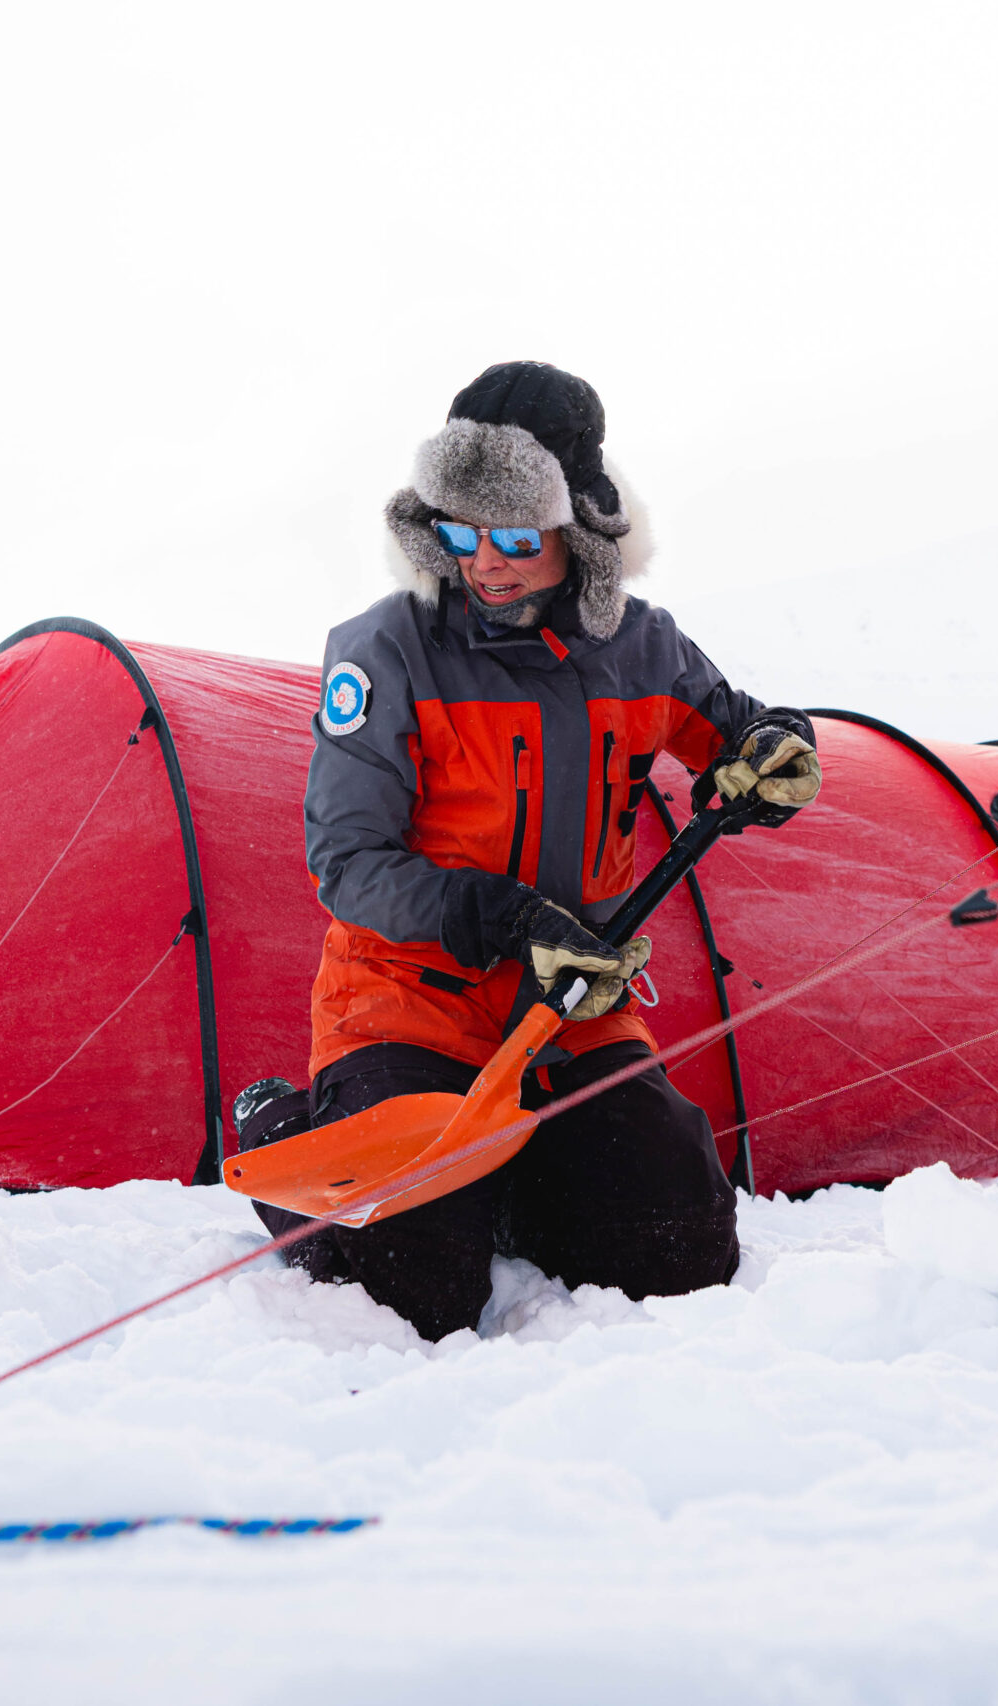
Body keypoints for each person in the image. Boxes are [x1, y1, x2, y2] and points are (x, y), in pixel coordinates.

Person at [238, 361, 821, 1338]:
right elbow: (348, 860)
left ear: (581, 529)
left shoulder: (642, 647)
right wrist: (508, 918)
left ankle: (505, 1177)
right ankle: (284, 1119)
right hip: (409, 999)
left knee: (678, 1251)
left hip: (574, 1010)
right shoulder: (383, 652)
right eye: (459, 532)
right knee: (415, 1285)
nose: (484, 562)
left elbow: (740, 732)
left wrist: (773, 749)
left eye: (512, 536)